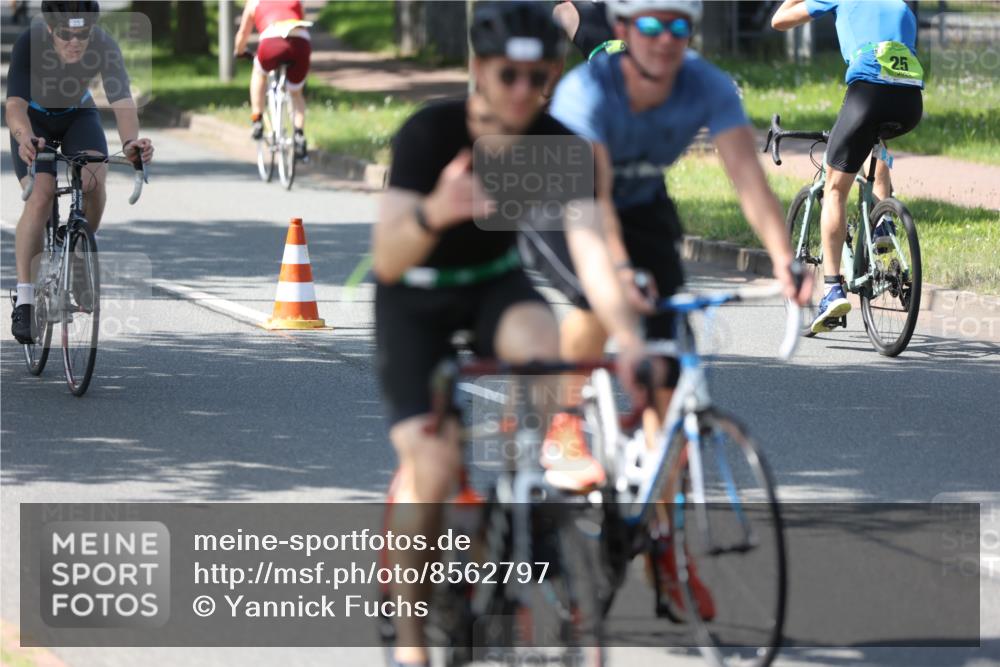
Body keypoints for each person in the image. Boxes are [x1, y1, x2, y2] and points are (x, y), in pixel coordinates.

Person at [373, 3, 651, 664]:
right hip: (415, 296)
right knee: (434, 465)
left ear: (555, 72)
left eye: (538, 75)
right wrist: (438, 210)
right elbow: (387, 256)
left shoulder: (560, 147)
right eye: (509, 75)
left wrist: (631, 338)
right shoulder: (430, 134)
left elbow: (592, 258)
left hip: (494, 283)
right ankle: (412, 642)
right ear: (479, 70)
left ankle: (519, 499)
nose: (523, 90)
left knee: (544, 344)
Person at [536, 0, 811, 618]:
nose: (665, 41)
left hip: (641, 201)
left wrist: (783, 258)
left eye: (679, 27)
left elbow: (746, 174)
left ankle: (665, 552)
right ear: (625, 30)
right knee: (596, 294)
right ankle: (564, 422)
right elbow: (594, 205)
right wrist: (617, 271)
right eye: (651, 27)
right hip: (562, 193)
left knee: (670, 391)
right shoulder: (591, 89)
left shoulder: (705, 83)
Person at [6, 0, 154, 344]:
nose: (75, 41)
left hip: (77, 115)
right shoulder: (31, 42)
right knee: (40, 196)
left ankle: (77, 250)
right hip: (34, 121)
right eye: (65, 34)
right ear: (49, 29)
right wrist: (23, 138)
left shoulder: (103, 44)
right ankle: (25, 299)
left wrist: (131, 143)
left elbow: (121, 98)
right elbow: (14, 105)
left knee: (93, 178)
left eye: (82, 33)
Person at [771, 0, 923, 333]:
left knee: (835, 188)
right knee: (877, 143)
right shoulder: (902, 5)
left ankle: (832, 290)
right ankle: (884, 226)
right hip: (911, 101)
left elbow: (779, 21)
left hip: (867, 93)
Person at [234, 0, 312, 159]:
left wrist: (239, 52)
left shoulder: (254, 2)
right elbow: (302, 20)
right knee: (296, 93)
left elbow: (243, 34)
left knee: (259, 72)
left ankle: (257, 118)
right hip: (300, 43)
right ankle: (299, 134)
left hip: (272, 41)